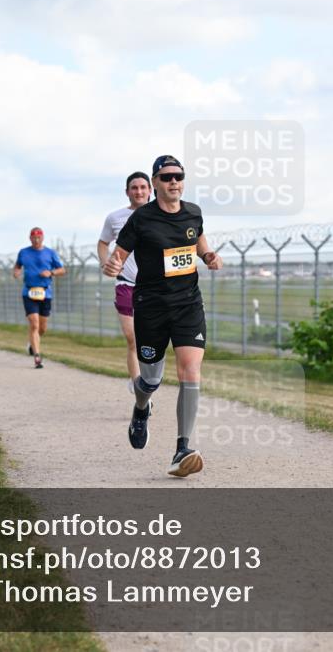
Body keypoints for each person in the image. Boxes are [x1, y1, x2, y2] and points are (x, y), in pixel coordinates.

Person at [103, 155, 223, 477]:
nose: (174, 182)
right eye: (167, 177)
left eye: (179, 176)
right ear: (155, 183)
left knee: (190, 371)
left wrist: (209, 255)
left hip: (188, 304)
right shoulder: (141, 219)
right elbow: (119, 254)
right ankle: (141, 410)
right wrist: (112, 265)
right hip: (151, 307)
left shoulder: (193, 213)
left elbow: (199, 245)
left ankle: (183, 447)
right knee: (151, 380)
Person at [98, 171, 151, 390]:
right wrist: (105, 263)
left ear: (150, 189)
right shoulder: (115, 218)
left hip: (154, 287)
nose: (138, 191)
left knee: (151, 341)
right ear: (127, 192)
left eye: (142, 187)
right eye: (134, 188)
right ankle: (138, 383)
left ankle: (149, 381)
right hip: (126, 285)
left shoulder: (161, 215)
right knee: (133, 339)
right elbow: (103, 243)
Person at [13, 227, 66, 369]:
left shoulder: (50, 253)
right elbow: (17, 266)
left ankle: (32, 343)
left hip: (45, 293)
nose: (36, 240)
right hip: (29, 292)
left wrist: (51, 272)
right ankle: (37, 356)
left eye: (39, 238)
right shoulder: (23, 252)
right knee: (34, 324)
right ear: (30, 238)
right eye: (33, 238)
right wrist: (16, 272)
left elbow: (62, 270)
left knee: (42, 328)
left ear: (42, 238)